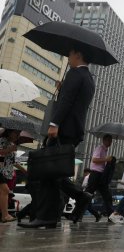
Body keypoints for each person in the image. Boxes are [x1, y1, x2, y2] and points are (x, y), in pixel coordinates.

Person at [20, 47, 95, 229]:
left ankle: (47, 216)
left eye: (69, 54)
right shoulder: (89, 79)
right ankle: (77, 198)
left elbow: (67, 101)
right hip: (75, 129)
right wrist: (63, 89)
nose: (68, 57)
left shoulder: (74, 74)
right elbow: (73, 100)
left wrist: (55, 123)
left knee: (47, 172)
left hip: (64, 128)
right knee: (55, 173)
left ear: (78, 54)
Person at [85, 135, 114, 221]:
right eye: (109, 140)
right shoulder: (100, 148)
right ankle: (77, 214)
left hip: (101, 176)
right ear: (104, 140)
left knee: (107, 196)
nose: (110, 143)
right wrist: (106, 159)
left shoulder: (105, 150)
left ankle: (110, 216)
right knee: (87, 195)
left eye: (111, 141)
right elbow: (94, 160)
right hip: (95, 174)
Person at [0, 129, 21, 223]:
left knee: (4, 192)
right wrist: (9, 150)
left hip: (7, 174)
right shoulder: (2, 140)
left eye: (19, 134)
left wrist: (25, 171)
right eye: (16, 133)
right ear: (9, 132)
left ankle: (4, 215)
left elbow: (14, 162)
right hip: (1, 171)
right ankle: (5, 215)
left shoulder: (12, 145)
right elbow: (1, 153)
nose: (18, 135)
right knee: (5, 190)